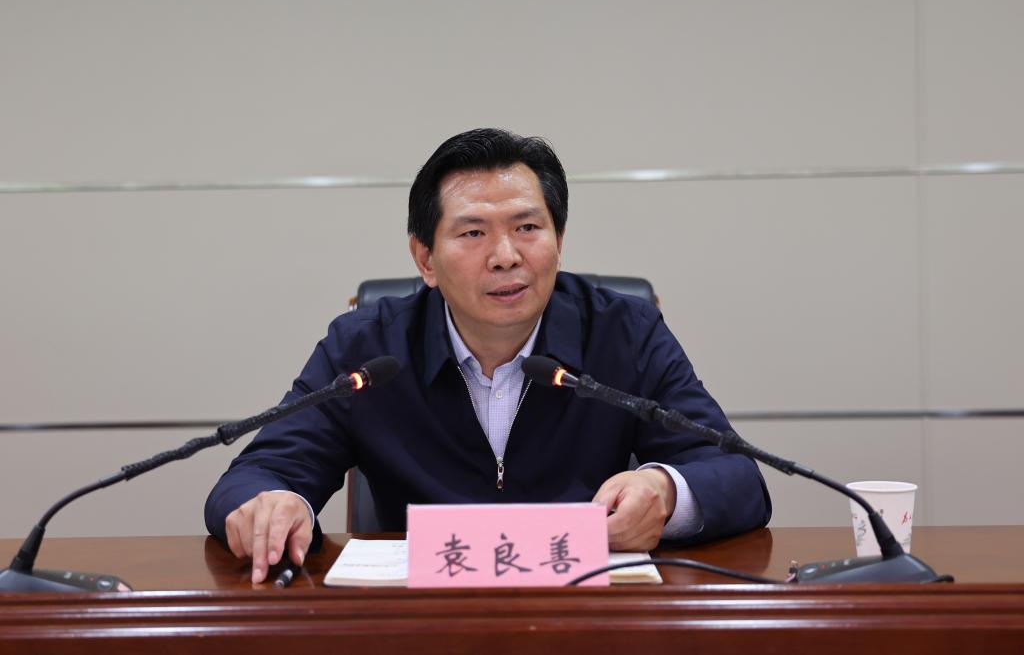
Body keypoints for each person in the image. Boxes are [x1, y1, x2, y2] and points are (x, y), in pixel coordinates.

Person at [205, 128, 771, 584]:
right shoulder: (368, 347)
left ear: (559, 239)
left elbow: (737, 477)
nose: (505, 256)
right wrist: (273, 504)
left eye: (527, 227)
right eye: (473, 233)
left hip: (585, 618)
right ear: (425, 259)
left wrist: (665, 492)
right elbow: (258, 474)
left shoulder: (624, 332)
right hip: (421, 622)